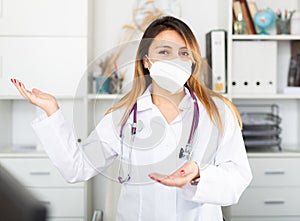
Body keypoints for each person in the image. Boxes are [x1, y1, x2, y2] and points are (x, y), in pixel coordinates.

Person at [11, 16, 252, 221]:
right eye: (164, 52)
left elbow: (238, 177)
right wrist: (52, 111)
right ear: (147, 61)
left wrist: (199, 174)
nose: (175, 60)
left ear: (192, 62)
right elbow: (77, 167)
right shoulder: (123, 115)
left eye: (183, 53)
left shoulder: (218, 111)